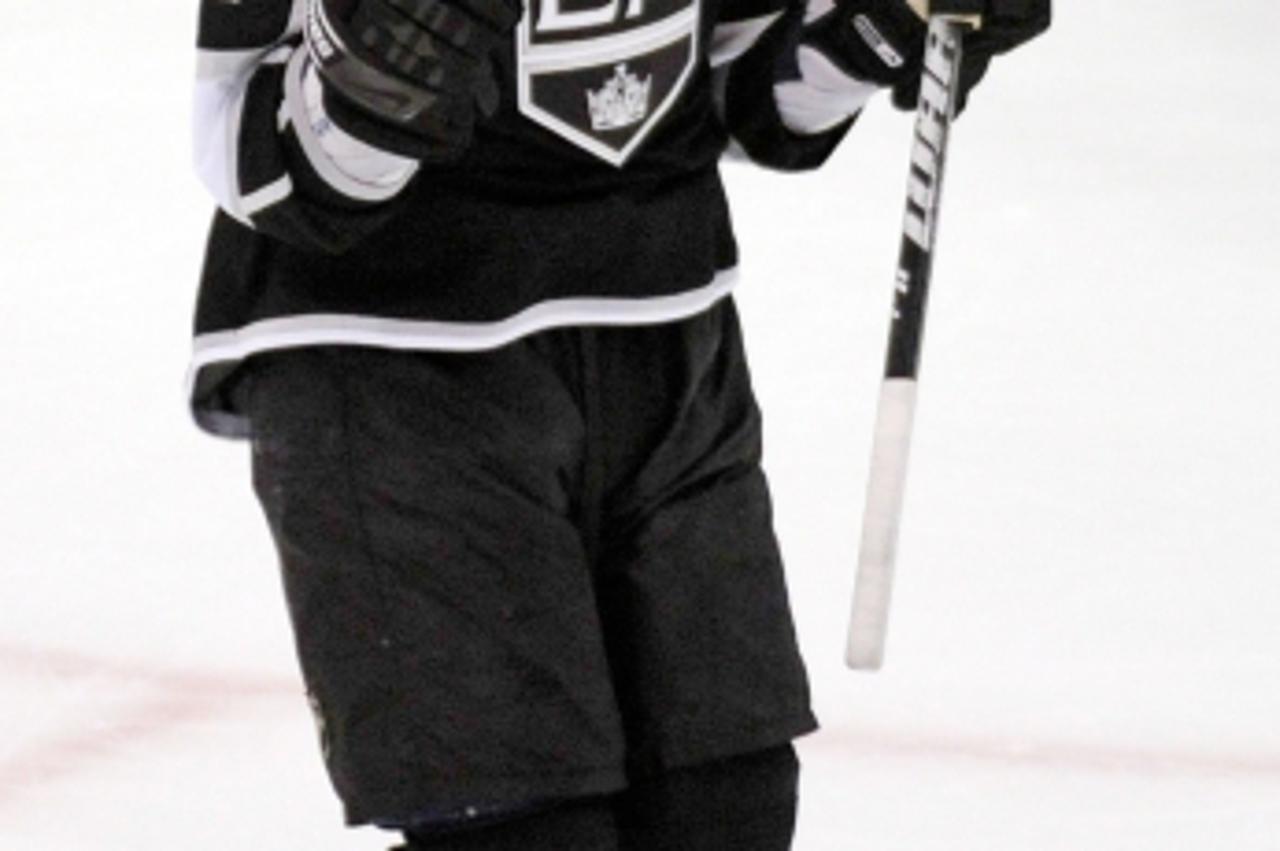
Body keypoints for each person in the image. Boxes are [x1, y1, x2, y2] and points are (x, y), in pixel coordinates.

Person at [188, 0, 1049, 847]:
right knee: (524, 826)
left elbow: (741, 89)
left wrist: (880, 22)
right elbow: (244, 150)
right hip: (394, 367)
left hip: (667, 334)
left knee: (725, 803)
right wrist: (385, 75)